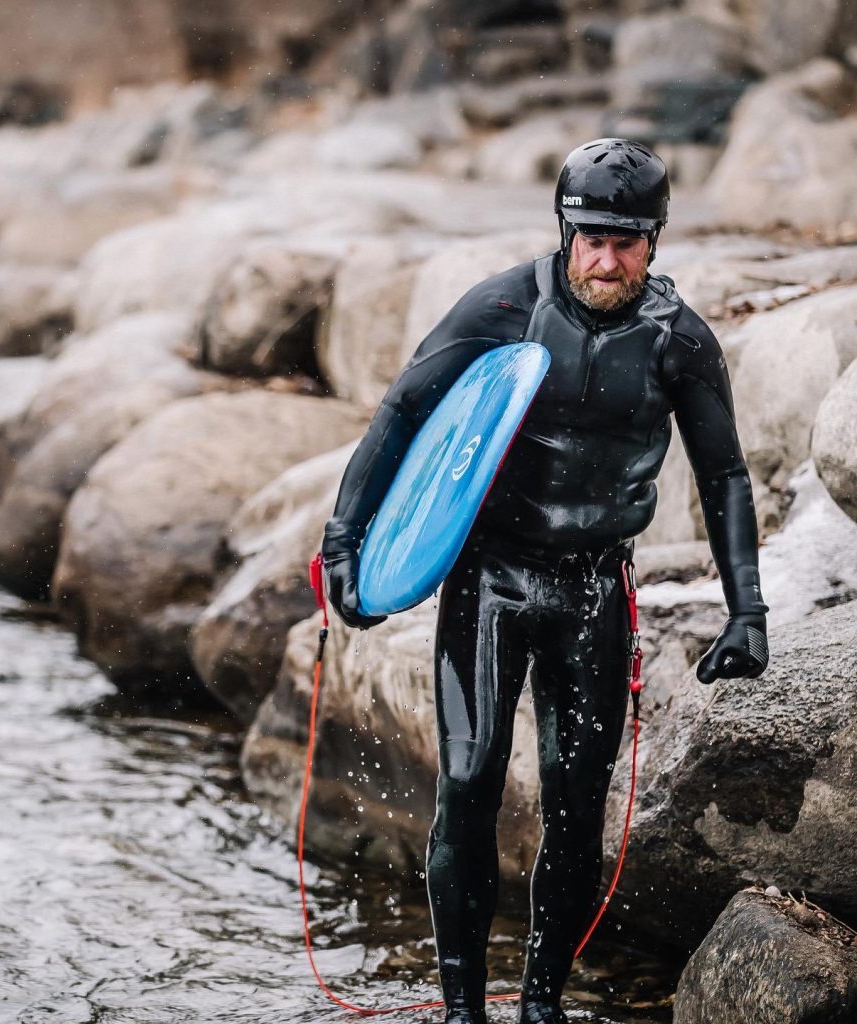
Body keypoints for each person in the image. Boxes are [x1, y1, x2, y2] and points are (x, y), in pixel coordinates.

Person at [320, 138, 770, 1024]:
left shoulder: (677, 339)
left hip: (596, 591)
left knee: (574, 804)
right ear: (565, 231)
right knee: (471, 782)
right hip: (491, 579)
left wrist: (747, 608)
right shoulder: (502, 305)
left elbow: (725, 475)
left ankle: (541, 1006)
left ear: (656, 241)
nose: (607, 259)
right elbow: (406, 410)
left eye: (627, 241)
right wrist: (347, 542)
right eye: (591, 238)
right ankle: (461, 1010)